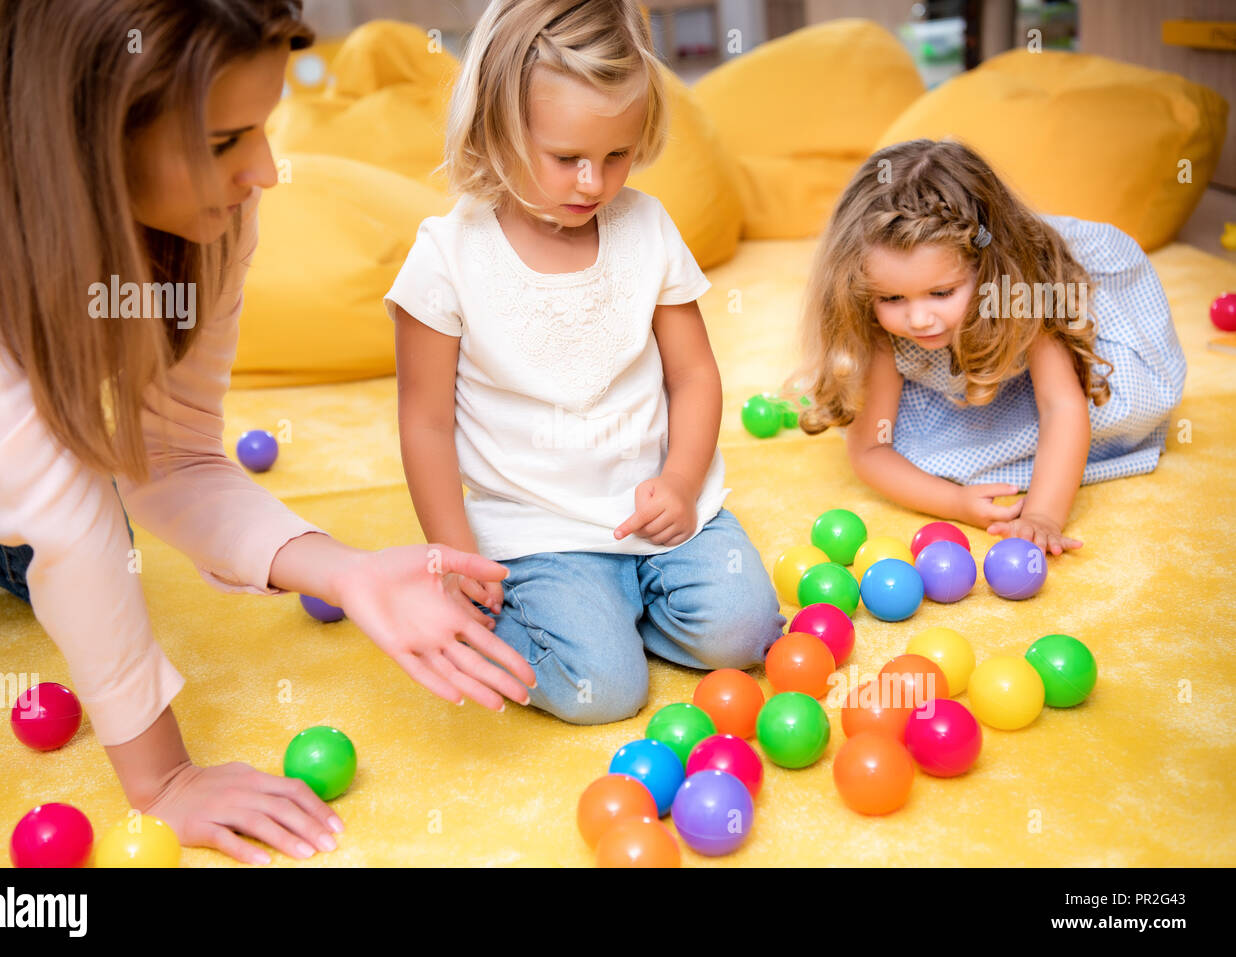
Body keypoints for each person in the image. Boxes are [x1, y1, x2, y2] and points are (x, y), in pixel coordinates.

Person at [0, 0, 533, 865]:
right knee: (65, 534)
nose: (266, 170)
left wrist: (347, 568)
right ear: (84, 144)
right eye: (222, 143)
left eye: (262, 126)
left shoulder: (219, 208)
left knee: (81, 557)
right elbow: (58, 511)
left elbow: (169, 456)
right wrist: (164, 780)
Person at [385, 0, 784, 725]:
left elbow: (694, 375)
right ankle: (589, 624)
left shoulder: (647, 227)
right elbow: (425, 423)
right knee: (604, 689)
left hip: (661, 513)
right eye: (566, 157)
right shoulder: (447, 257)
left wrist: (682, 480)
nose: (593, 183)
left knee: (746, 633)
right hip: (538, 533)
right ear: (495, 129)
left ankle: (617, 611)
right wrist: (453, 561)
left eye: (617, 156)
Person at [792, 138, 1186, 556]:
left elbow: (1062, 407)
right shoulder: (872, 314)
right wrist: (955, 503)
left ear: (987, 269)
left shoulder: (1020, 286)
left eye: (941, 292)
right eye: (892, 299)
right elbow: (871, 450)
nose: (919, 319)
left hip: (1039, 320)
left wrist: (1043, 516)